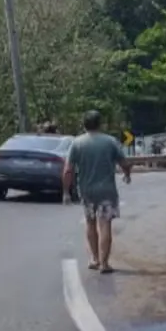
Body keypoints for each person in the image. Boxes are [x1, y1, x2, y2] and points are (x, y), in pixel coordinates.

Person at [62, 110, 132, 274]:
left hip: (86, 191)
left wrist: (66, 191)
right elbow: (124, 163)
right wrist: (127, 175)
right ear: (100, 124)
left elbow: (68, 170)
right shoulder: (110, 142)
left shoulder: (77, 143)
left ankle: (94, 258)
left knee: (90, 223)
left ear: (84, 124)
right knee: (105, 224)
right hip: (107, 191)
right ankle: (104, 263)